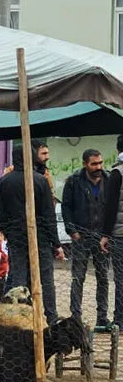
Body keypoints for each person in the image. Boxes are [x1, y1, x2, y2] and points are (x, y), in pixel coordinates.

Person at [0, 144, 65, 325]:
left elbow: (0, 214)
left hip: (16, 238)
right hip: (40, 238)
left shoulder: (4, 182)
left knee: (19, 278)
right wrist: (56, 243)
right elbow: (49, 215)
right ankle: (51, 318)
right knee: (46, 280)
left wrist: (9, 232)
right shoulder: (40, 181)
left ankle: (20, 318)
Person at [62, 149, 109, 328]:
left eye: (100, 163)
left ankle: (102, 317)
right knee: (78, 277)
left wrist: (107, 233)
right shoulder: (74, 181)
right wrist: (72, 231)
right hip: (81, 236)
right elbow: (66, 207)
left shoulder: (109, 180)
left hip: (102, 237)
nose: (98, 167)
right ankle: (76, 317)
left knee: (103, 277)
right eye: (94, 164)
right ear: (85, 164)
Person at [100, 134, 123, 329]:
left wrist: (105, 235)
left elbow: (111, 207)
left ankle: (120, 320)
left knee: (121, 278)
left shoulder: (117, 173)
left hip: (119, 234)